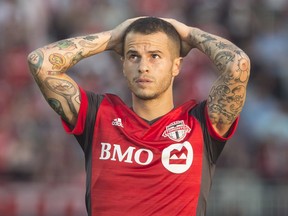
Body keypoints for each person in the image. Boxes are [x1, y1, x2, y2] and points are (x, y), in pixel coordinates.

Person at [27, 17, 250, 216]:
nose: (143, 66)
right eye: (133, 56)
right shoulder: (99, 115)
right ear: (123, 65)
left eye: (155, 56)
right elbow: (40, 62)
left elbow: (238, 66)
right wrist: (112, 38)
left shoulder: (200, 123)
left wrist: (189, 33)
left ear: (176, 66)